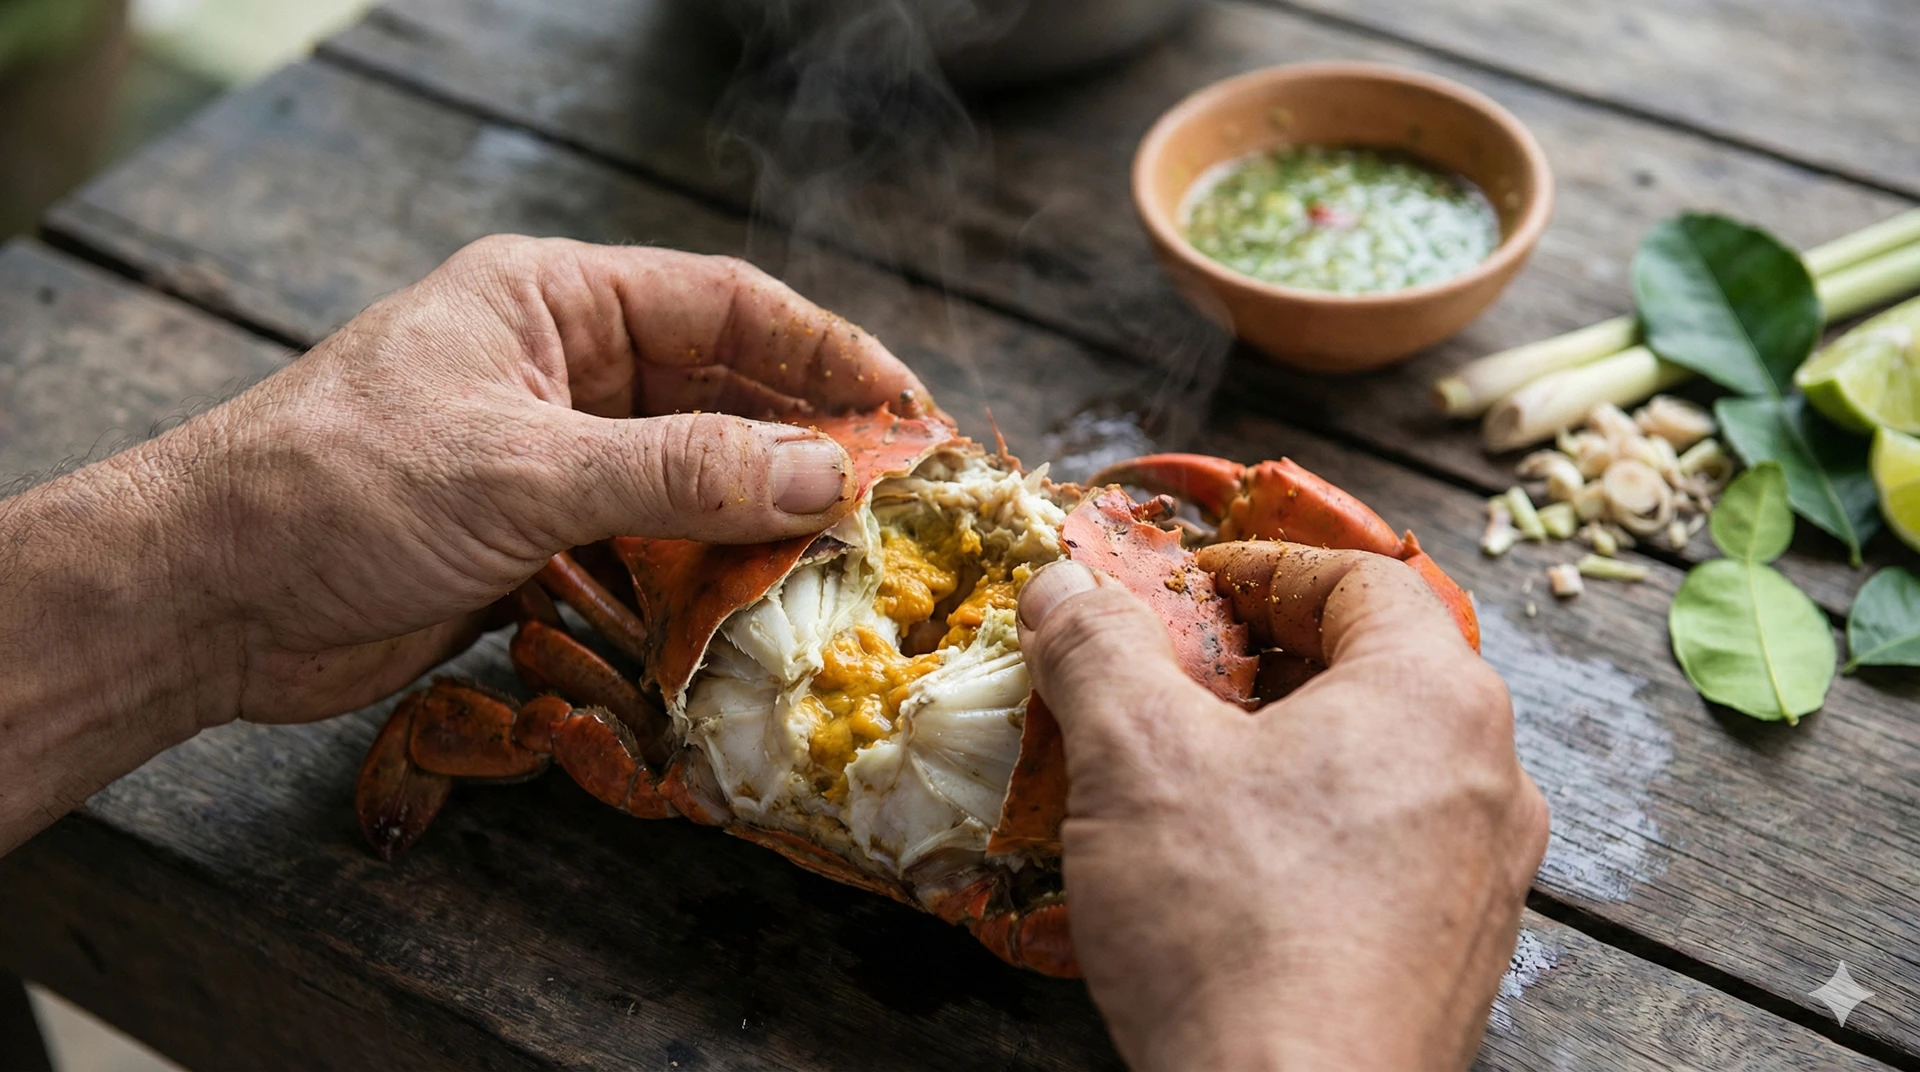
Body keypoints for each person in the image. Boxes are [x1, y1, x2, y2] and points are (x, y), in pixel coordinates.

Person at [0, 236, 1547, 1070]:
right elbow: (1402, 637)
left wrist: (199, 596)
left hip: (699, 773)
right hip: (985, 885)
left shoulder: (598, 702)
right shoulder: (1086, 855)